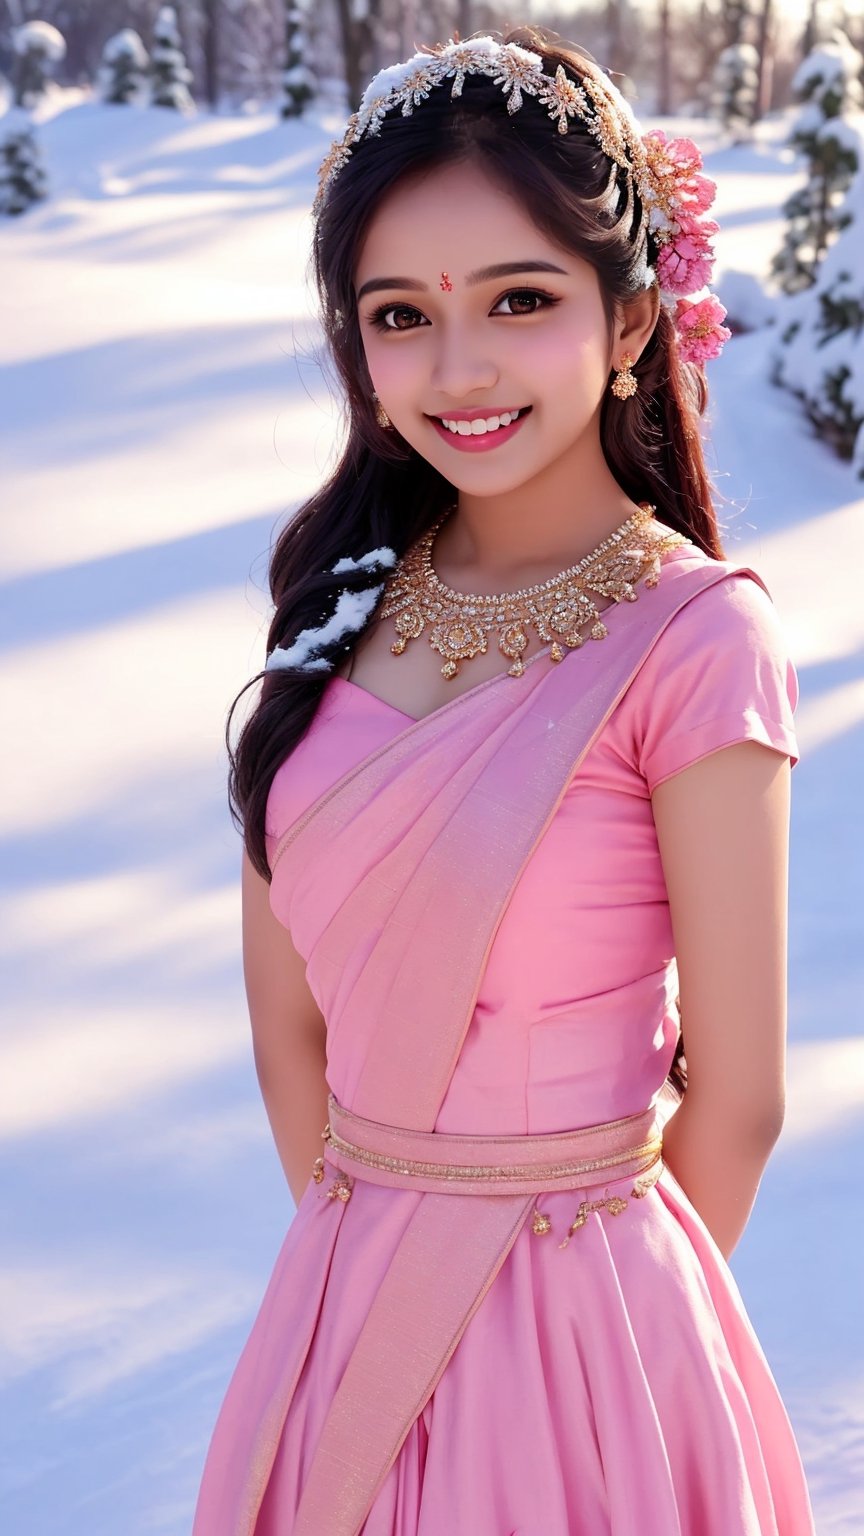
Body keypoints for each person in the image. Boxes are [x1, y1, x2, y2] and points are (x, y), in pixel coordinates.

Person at [193, 26, 817, 1536]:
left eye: (520, 301)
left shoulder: (695, 637)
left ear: (625, 323)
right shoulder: (339, 608)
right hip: (335, 1307)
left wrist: (595, 1341)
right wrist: (373, 1267)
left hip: (593, 1340)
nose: (457, 370)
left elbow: (736, 1100)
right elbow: (292, 1029)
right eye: (401, 315)